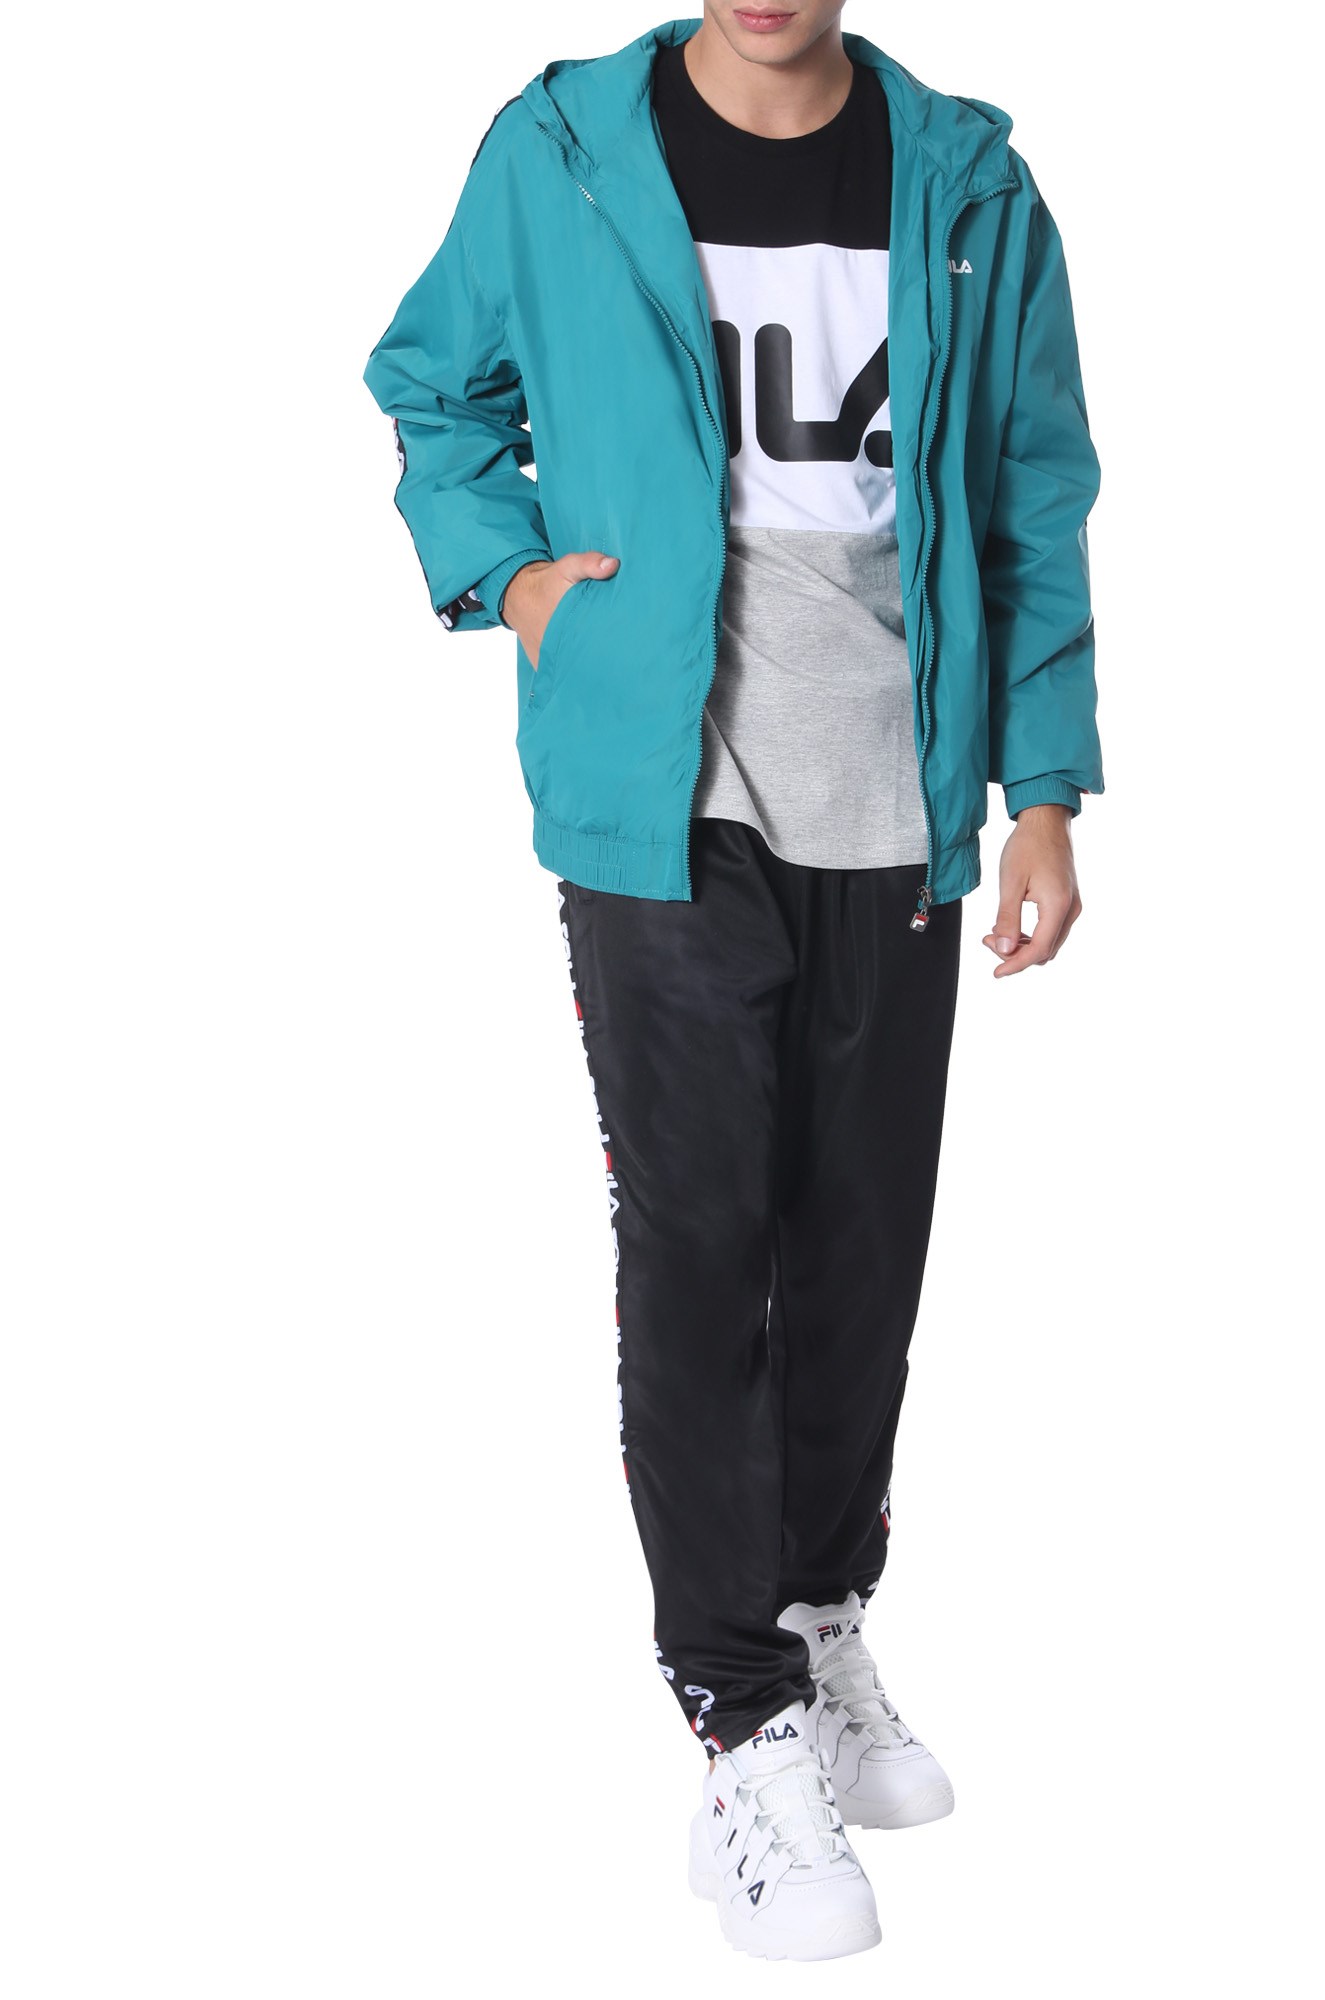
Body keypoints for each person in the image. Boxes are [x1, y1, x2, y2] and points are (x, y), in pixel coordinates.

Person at [363, 5, 1101, 1962]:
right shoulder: (561, 153)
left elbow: (1031, 493)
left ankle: (820, 1609)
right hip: (661, 789)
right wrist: (509, 576)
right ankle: (738, 1716)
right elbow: (431, 383)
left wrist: (1042, 789)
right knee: (700, 1246)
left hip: (898, 790)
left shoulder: (968, 180)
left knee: (860, 1245)